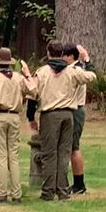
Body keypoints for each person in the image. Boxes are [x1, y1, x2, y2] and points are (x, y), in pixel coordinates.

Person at [25, 41, 96, 201]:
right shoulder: (72, 71)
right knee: (64, 153)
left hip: (49, 115)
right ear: (62, 53)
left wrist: (31, 117)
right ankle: (63, 191)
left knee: (49, 153)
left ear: (48, 52)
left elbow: (33, 95)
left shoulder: (42, 72)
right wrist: (87, 60)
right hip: (68, 115)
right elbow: (91, 76)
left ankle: (48, 191)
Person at [0, 48, 33, 204]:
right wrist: (27, 75)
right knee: (14, 156)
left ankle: (1, 193)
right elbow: (34, 90)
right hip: (15, 117)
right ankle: (16, 193)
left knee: (1, 156)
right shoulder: (18, 78)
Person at [61, 44, 93, 195]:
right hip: (70, 110)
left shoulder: (76, 70)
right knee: (69, 148)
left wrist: (86, 59)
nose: (61, 58)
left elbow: (91, 75)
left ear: (70, 56)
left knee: (74, 147)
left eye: (63, 55)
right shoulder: (71, 69)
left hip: (76, 110)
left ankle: (79, 184)